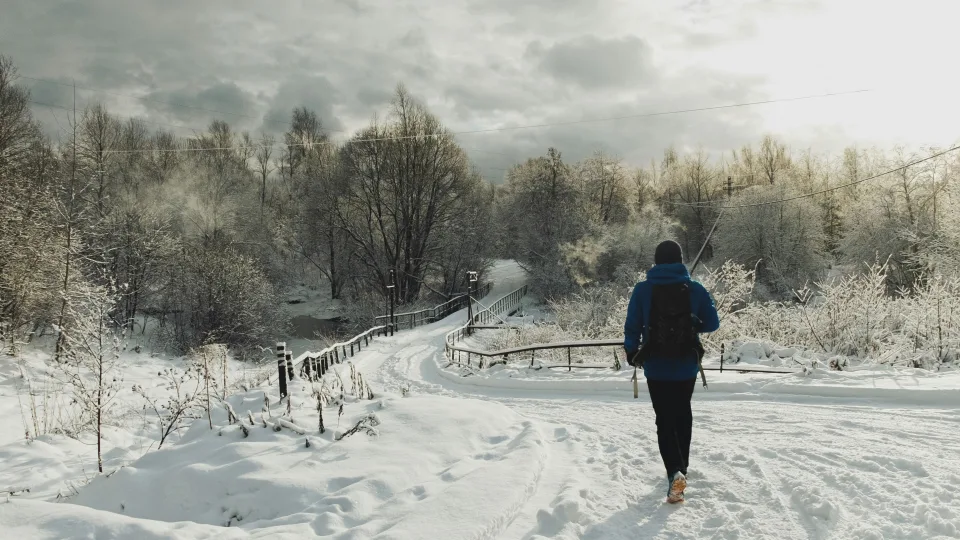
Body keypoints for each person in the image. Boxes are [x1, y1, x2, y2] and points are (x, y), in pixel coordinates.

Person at [623, 239, 720, 503]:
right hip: (686, 364)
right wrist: (692, 322)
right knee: (683, 414)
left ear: (656, 261)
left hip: (656, 366)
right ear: (680, 260)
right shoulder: (694, 288)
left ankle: (674, 472)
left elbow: (632, 326)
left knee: (664, 418)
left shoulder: (643, 290)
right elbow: (713, 323)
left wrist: (631, 352)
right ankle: (682, 470)